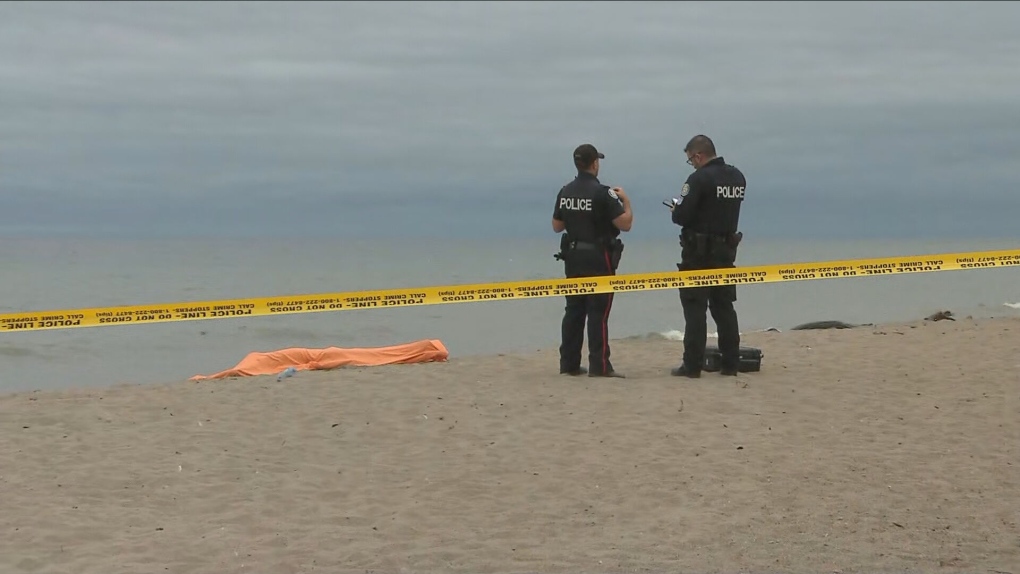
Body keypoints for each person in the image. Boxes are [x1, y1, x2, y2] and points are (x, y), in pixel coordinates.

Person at [552, 143, 633, 378]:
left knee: (574, 310)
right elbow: (625, 224)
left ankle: (569, 364)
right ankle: (600, 365)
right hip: (598, 257)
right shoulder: (603, 192)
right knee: (599, 311)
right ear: (594, 164)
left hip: (573, 257)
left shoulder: (565, 191)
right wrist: (626, 201)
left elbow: (557, 226)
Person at [667, 134, 745, 378]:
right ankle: (731, 363)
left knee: (695, 309)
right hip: (725, 253)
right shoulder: (737, 177)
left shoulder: (698, 178)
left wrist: (677, 208)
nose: (692, 164)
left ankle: (692, 366)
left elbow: (682, 216)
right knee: (724, 308)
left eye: (691, 160)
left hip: (697, 255)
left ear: (698, 156)